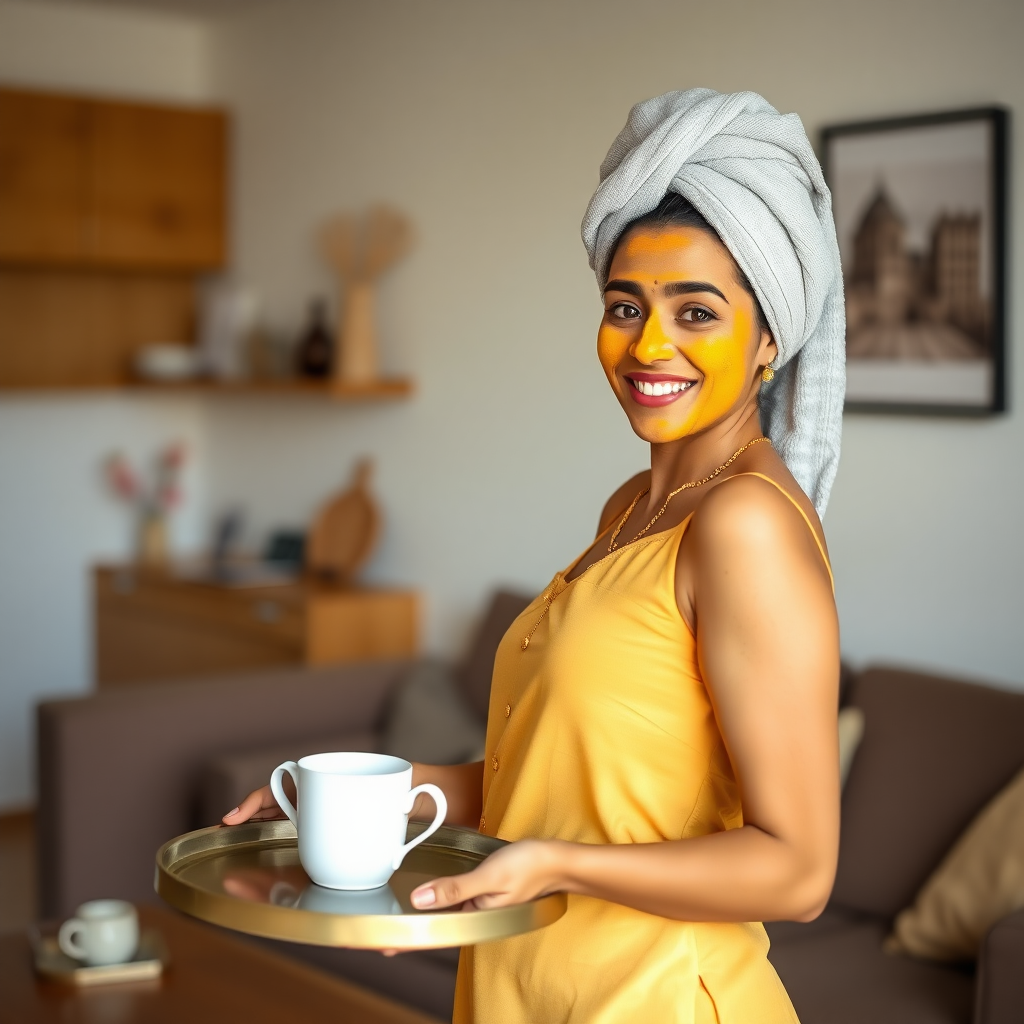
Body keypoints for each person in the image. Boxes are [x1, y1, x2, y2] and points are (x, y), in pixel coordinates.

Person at [225, 88, 845, 1023]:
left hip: (657, 1002)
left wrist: (555, 866)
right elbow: (564, 792)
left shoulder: (743, 526)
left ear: (769, 342)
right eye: (625, 305)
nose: (649, 345)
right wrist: (372, 795)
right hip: (534, 992)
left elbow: (797, 871)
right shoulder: (636, 507)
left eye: (698, 313)